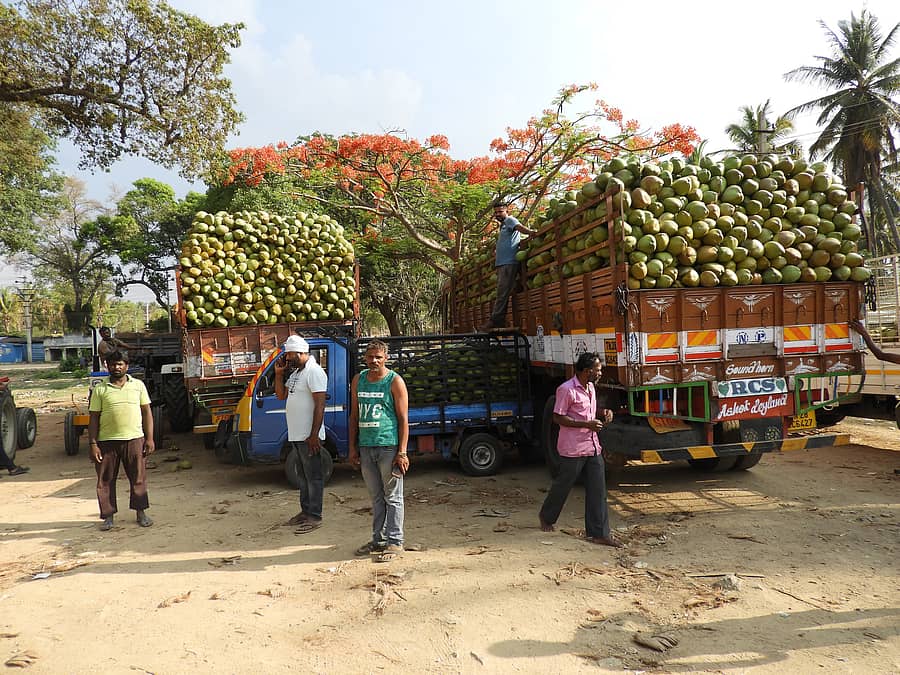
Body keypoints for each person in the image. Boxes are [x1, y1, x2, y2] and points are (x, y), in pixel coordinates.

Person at [539, 352, 623, 548]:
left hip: (592, 446)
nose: (600, 373)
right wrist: (586, 424)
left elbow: (589, 411)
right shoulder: (566, 390)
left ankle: (599, 533)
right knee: (563, 485)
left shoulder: (591, 388)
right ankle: (546, 516)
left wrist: (603, 413)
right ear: (587, 371)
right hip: (573, 448)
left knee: (598, 490)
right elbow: (558, 418)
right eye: (598, 370)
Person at [348, 340, 410, 563]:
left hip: (388, 446)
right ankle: (379, 540)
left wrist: (402, 452)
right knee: (376, 497)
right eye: (370, 357)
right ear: (365, 358)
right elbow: (354, 416)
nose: (373, 361)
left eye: (378, 357)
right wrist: (352, 447)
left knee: (393, 497)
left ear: (386, 358)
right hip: (366, 446)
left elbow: (403, 419)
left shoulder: (395, 381)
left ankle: (395, 541)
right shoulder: (359, 380)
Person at [87, 350, 154, 531]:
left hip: (134, 440)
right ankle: (108, 516)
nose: (116, 367)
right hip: (107, 442)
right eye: (112, 364)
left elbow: (147, 412)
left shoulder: (138, 385)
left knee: (138, 478)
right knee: (105, 480)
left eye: (120, 364)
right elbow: (93, 417)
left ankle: (141, 513)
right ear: (107, 366)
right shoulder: (100, 389)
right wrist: (93, 444)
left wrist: (150, 439)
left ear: (126, 366)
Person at [275, 335, 328, 534]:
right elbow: (281, 395)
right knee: (304, 477)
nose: (287, 358)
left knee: (314, 477)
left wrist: (314, 434)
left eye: (289, 354)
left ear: (300, 353)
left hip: (309, 436)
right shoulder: (297, 373)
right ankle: (306, 512)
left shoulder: (314, 372)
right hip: (297, 434)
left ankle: (315, 516)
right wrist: (279, 374)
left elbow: (320, 405)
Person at [480, 202, 536, 331]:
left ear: (506, 211)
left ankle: (495, 320)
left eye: (500, 211)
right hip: (502, 263)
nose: (498, 214)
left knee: (502, 292)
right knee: (504, 291)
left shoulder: (510, 220)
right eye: (496, 212)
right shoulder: (503, 226)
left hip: (509, 262)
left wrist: (530, 232)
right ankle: (500, 320)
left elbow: (519, 227)